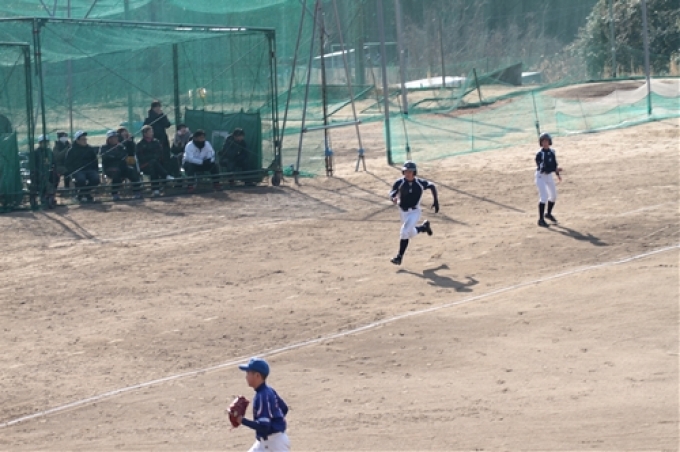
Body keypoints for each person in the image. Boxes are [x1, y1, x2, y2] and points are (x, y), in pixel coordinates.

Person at [388, 160, 439, 265]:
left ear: (414, 172)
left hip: (414, 212)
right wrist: (393, 198)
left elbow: (432, 186)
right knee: (410, 233)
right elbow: (392, 192)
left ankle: (399, 257)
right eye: (406, 171)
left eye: (410, 171)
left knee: (404, 232)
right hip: (403, 212)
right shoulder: (399, 182)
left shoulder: (419, 183)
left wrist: (436, 201)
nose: (407, 173)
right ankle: (424, 227)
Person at [234, 357, 290, 452]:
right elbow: (284, 409)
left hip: (273, 445)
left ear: (257, 376)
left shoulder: (262, 396)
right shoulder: (269, 390)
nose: (246, 377)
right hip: (267, 442)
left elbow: (264, 427)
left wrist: (242, 420)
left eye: (248, 373)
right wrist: (276, 424)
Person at [100, 130, 142, 201]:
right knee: (116, 172)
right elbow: (106, 156)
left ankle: (137, 191)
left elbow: (127, 153)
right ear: (109, 139)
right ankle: (114, 193)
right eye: (113, 137)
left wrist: (130, 141)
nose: (115, 139)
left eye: (116, 137)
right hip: (109, 168)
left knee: (132, 171)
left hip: (122, 167)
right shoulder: (104, 147)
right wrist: (116, 156)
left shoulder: (121, 146)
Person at [136, 125, 174, 196]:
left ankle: (156, 190)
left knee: (154, 166)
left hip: (156, 163)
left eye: (152, 131)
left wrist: (153, 157)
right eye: (150, 132)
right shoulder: (140, 144)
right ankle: (166, 175)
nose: (152, 133)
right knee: (153, 163)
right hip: (145, 165)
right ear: (145, 133)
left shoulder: (156, 142)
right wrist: (151, 157)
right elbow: (141, 157)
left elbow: (159, 153)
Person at [535, 132, 562, 227]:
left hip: (549, 176)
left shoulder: (552, 152)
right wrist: (554, 169)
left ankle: (548, 214)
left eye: (546, 141)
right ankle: (541, 220)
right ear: (541, 143)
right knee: (544, 197)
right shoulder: (539, 154)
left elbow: (554, 164)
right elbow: (543, 168)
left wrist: (557, 173)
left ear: (549, 142)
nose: (545, 143)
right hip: (540, 176)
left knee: (553, 196)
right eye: (543, 141)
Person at [65, 130, 100, 202]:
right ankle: (87, 195)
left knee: (96, 179)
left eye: (85, 139)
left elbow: (95, 161)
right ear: (77, 140)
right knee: (81, 180)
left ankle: (81, 194)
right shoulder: (71, 150)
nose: (85, 141)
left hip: (90, 170)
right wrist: (72, 172)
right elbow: (68, 163)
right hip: (77, 171)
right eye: (83, 139)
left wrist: (96, 170)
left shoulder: (90, 149)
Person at [143, 100, 172, 170]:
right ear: (153, 108)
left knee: (165, 155)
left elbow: (167, 125)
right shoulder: (149, 118)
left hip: (163, 138)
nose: (158, 108)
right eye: (156, 107)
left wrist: (162, 116)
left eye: (159, 107)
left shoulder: (162, 116)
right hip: (153, 139)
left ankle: (167, 171)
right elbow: (145, 127)